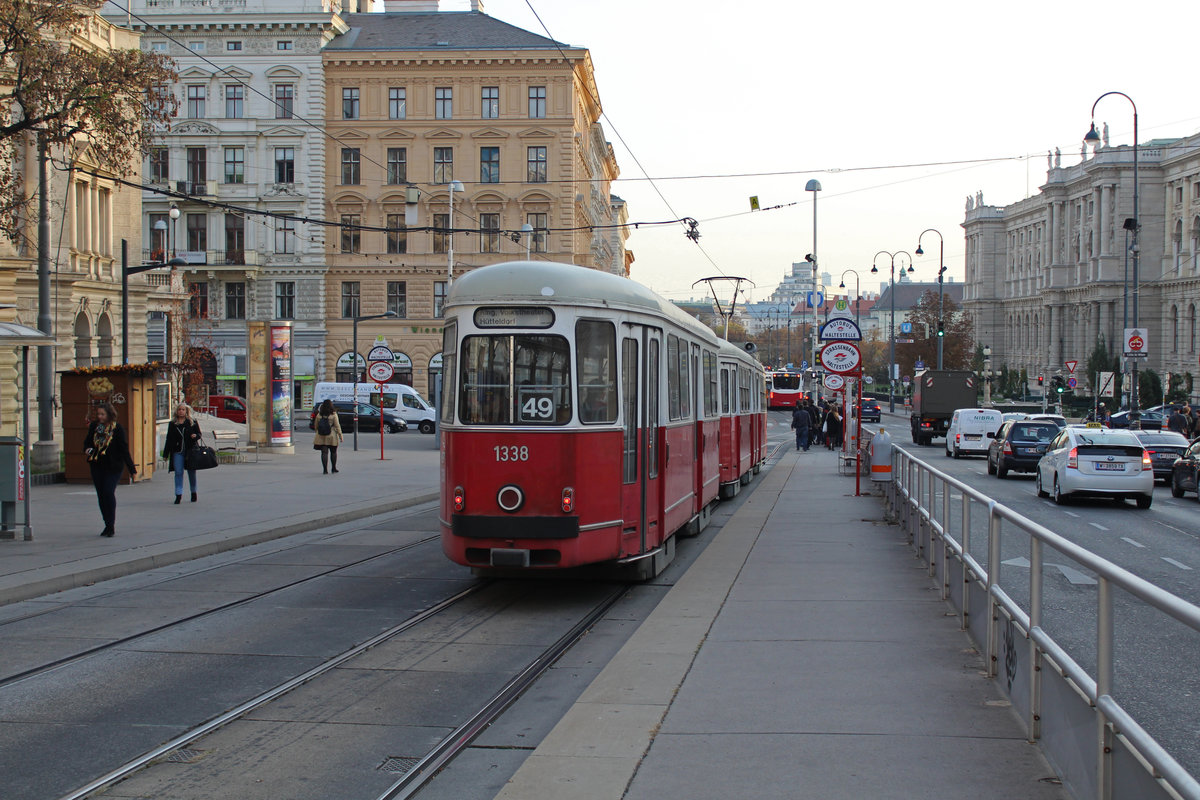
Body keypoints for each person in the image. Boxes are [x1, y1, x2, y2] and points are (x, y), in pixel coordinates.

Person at [84, 402, 136, 537]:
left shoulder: (117, 428)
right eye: (99, 414)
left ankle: (111, 524)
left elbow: (124, 449)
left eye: (102, 414)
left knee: (108, 491)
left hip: (113, 466)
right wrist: (87, 449)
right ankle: (106, 523)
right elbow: (87, 441)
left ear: (109, 414)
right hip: (97, 464)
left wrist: (132, 469)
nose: (100, 417)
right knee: (101, 495)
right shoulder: (95, 427)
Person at [162, 403, 202, 504]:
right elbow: (169, 439)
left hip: (190, 451)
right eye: (179, 409)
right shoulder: (173, 424)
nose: (181, 411)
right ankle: (178, 494)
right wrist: (166, 454)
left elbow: (199, 434)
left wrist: (195, 436)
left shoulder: (192, 422)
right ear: (176, 411)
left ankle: (193, 492)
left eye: (183, 410)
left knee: (191, 472)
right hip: (177, 451)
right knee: (178, 472)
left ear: (186, 411)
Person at [313, 398, 344, 473]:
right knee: (333, 452)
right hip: (332, 436)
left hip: (321, 436)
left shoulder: (319, 415)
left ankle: (325, 469)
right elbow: (337, 426)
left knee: (324, 452)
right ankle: (333, 468)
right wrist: (340, 436)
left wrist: (317, 431)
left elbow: (316, 426)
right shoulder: (333, 414)